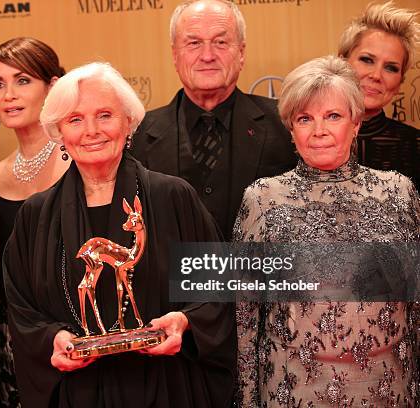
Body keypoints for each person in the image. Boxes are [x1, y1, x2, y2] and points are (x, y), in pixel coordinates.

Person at [4, 62, 236, 407]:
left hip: (167, 388)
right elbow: (22, 310)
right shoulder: (36, 216)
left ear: (129, 122)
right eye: (75, 119)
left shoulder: (173, 197)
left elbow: (217, 290)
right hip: (78, 393)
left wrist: (186, 322)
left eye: (105, 115)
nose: (91, 130)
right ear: (59, 132)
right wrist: (53, 340)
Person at [234, 56, 418, 406]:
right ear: (291, 128)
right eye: (305, 118)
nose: (319, 130)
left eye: (333, 116)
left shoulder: (398, 192)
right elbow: (246, 316)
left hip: (388, 386)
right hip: (294, 387)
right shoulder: (263, 199)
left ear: (356, 122)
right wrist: (248, 399)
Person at [131, 0, 296, 239]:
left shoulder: (285, 124)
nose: (207, 56)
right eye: (194, 43)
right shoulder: (138, 134)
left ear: (241, 53)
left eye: (220, 42)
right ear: (175, 55)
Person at [0, 37, 69, 407]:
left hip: (76, 337)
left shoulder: (83, 162)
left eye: (22, 81)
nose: (9, 95)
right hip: (11, 345)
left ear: (52, 87)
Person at [338, 1, 419, 189]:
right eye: (367, 60)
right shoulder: (300, 140)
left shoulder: (415, 145)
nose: (376, 75)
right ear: (341, 62)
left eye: (391, 68)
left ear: (400, 82)